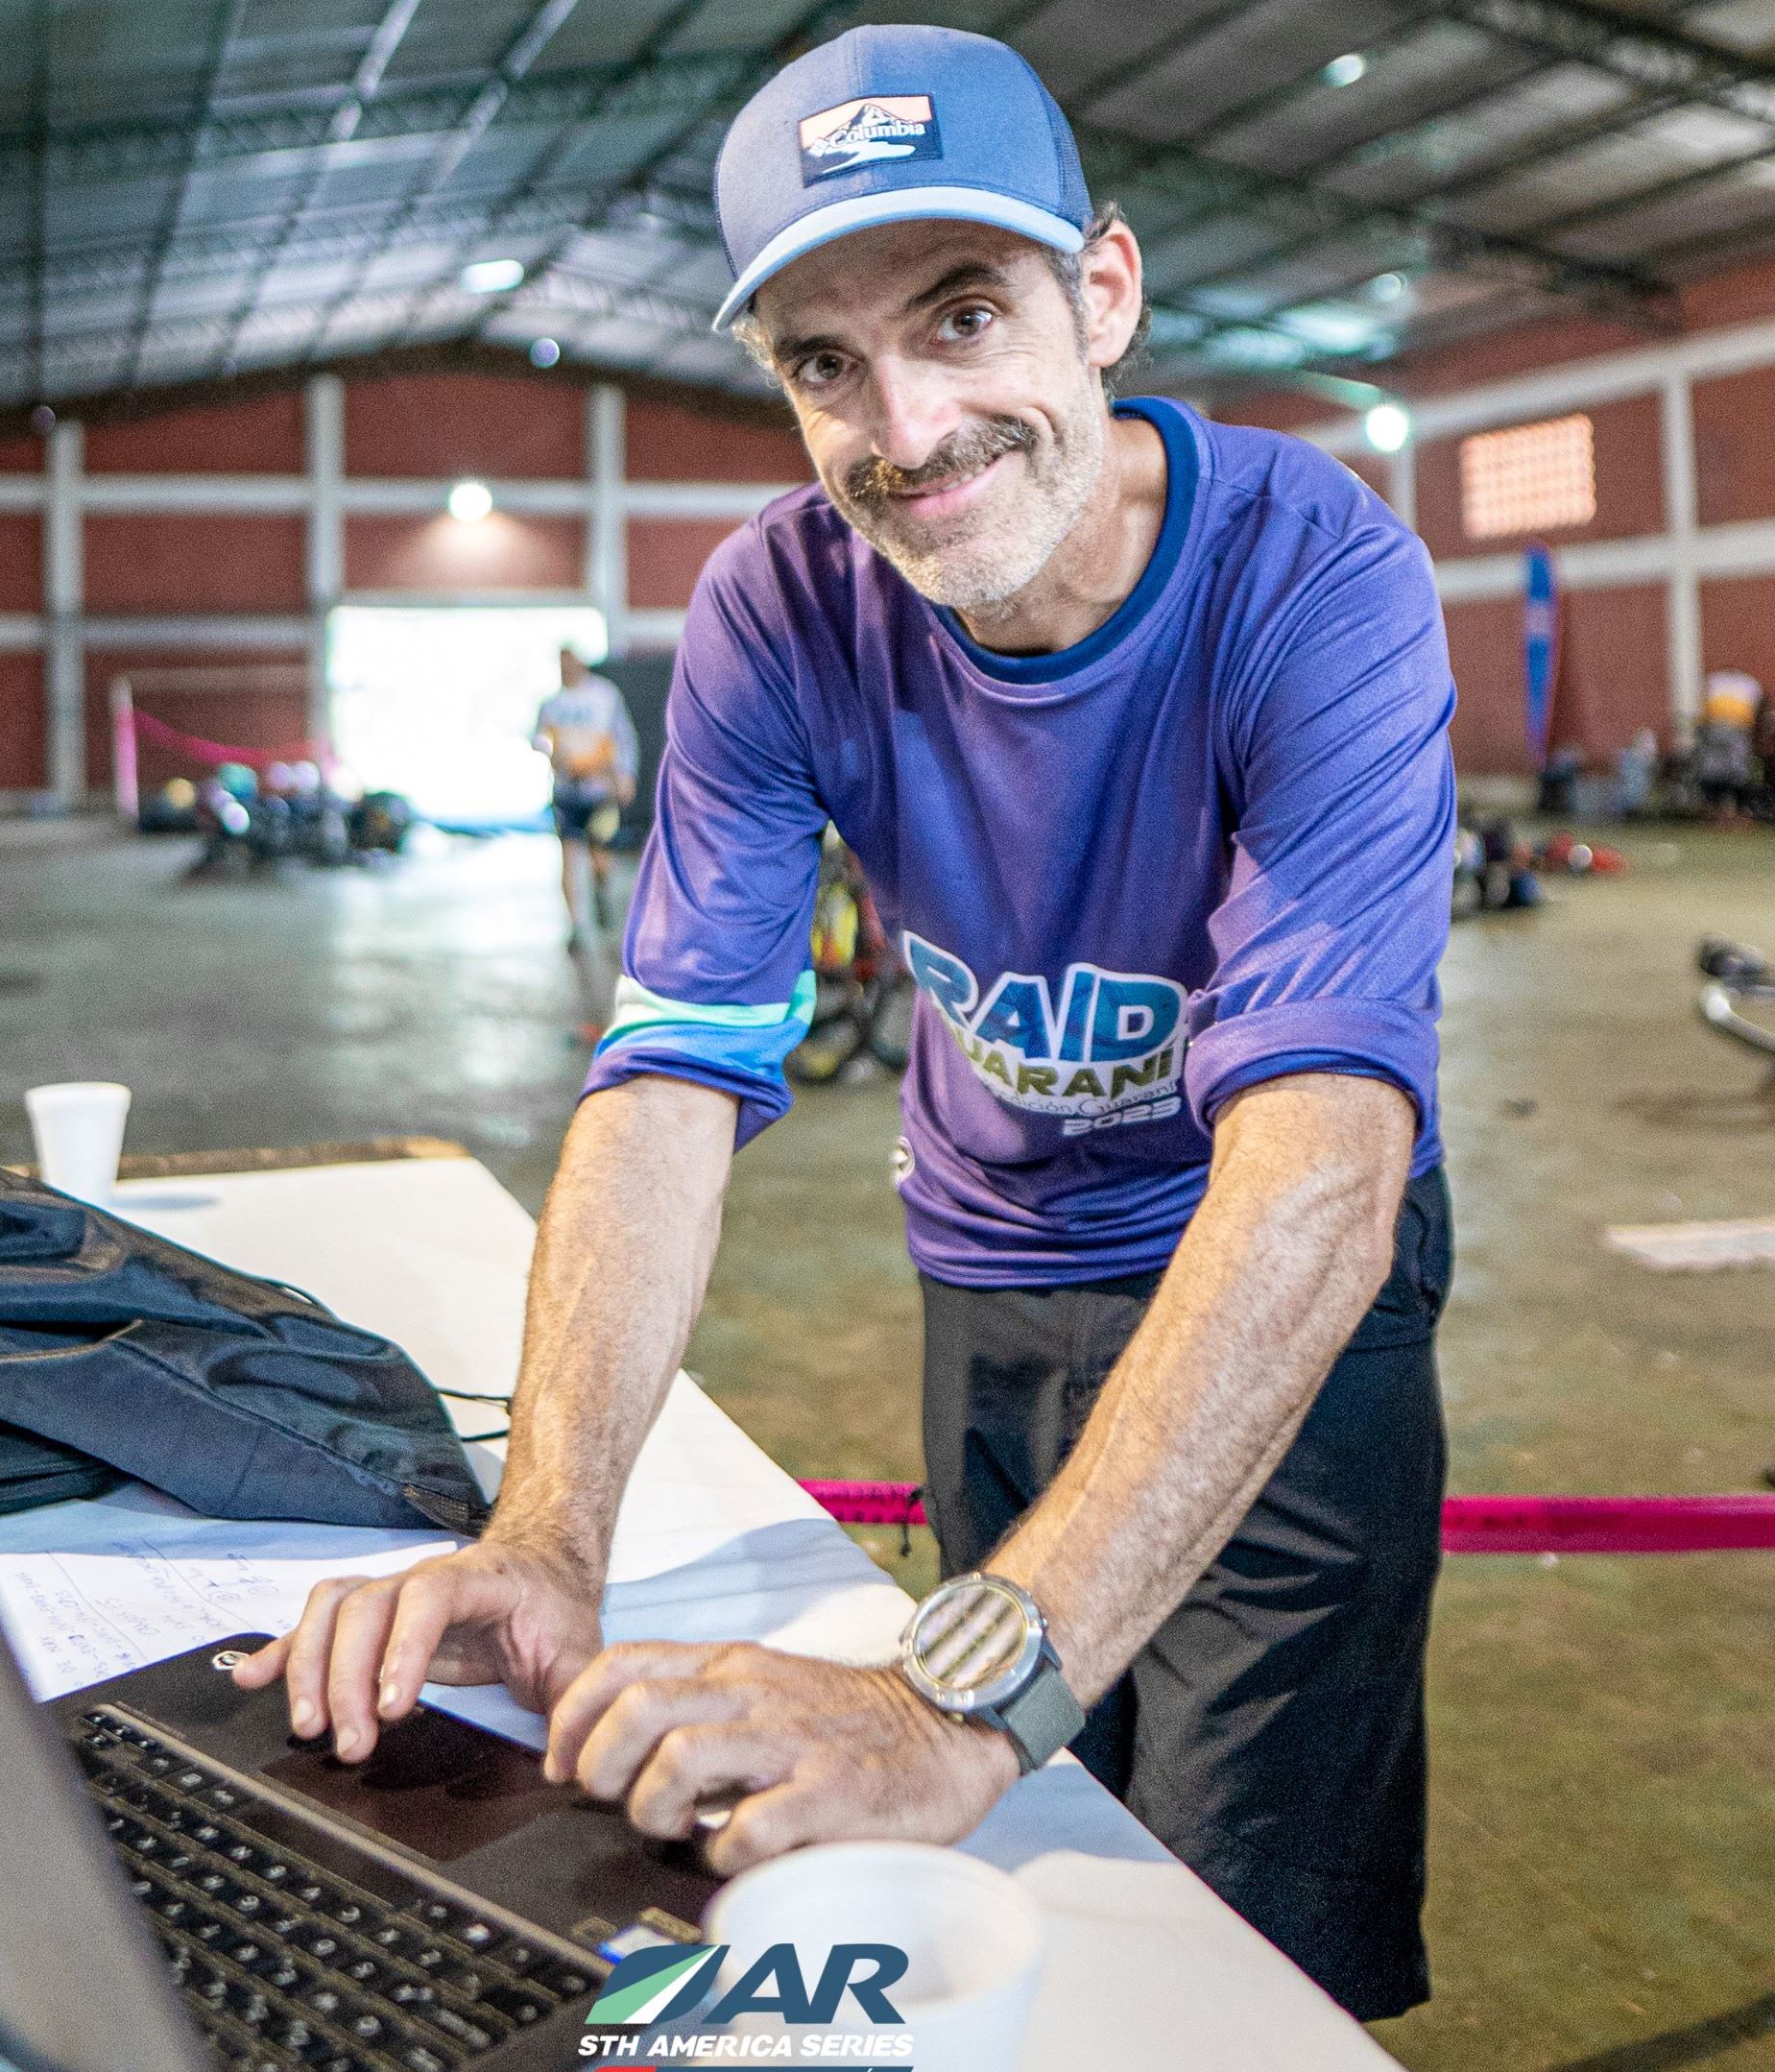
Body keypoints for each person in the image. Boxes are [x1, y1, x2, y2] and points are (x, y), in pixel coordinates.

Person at [239, 25, 1454, 2021]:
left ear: (1104, 293)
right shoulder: (776, 607)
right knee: (1048, 1841)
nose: (907, 426)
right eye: (824, 361)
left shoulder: (1310, 573)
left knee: (1239, 1932)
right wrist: (545, 1537)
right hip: (991, 1257)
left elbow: (1324, 1142)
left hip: (1271, 1274)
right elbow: (667, 1075)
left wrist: (951, 1702)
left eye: (963, 315)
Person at [534, 646, 638, 943]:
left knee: (600, 852)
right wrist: (552, 754)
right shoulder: (553, 704)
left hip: (599, 792)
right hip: (567, 792)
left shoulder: (604, 696)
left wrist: (625, 775)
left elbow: (623, 736)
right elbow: (540, 739)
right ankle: (576, 926)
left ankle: (601, 891)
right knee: (568, 854)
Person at [1696, 668, 1763, 817]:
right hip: (1723, 729)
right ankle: (1719, 810)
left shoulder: (1717, 681)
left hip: (1731, 729)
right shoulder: (1746, 683)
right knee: (1719, 770)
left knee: (1733, 771)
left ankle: (1735, 811)